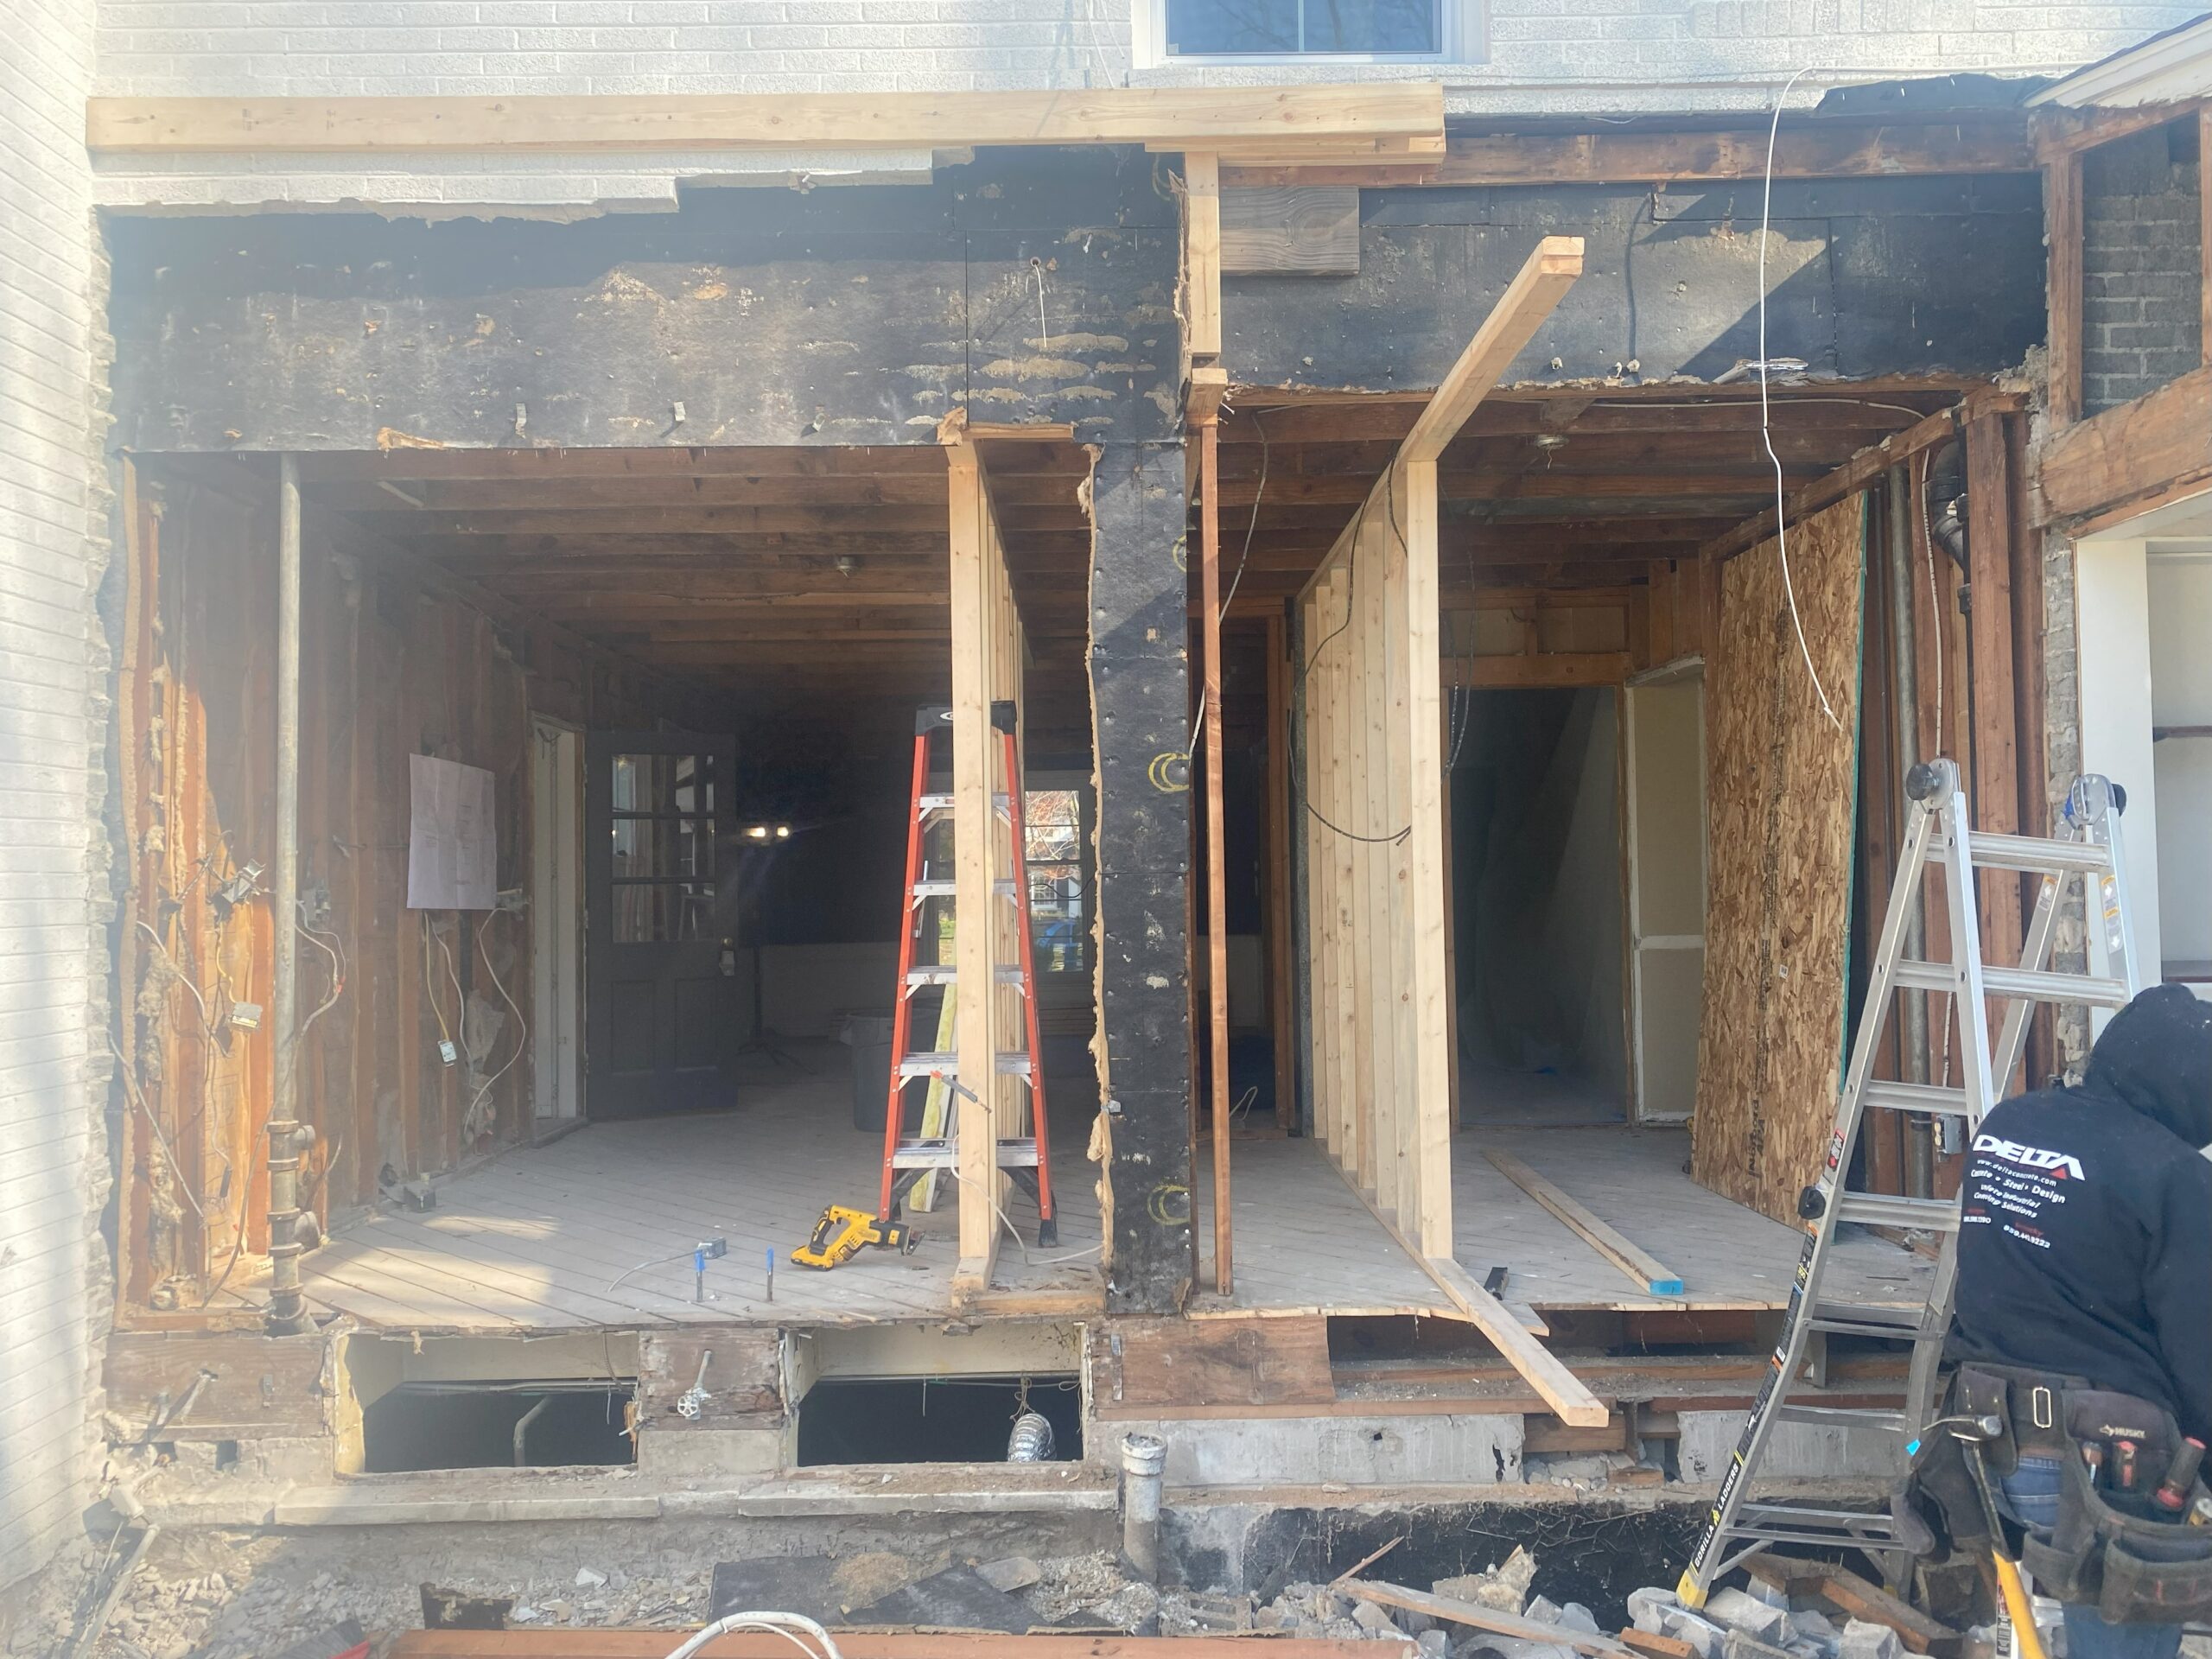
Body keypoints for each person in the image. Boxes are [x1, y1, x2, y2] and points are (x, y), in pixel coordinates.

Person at [1950, 982, 2212, 1659]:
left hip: (1983, 1450)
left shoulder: (2007, 1125)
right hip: (2106, 1476)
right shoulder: (2174, 1175)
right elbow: (2203, 1359)